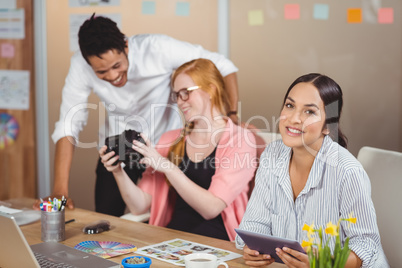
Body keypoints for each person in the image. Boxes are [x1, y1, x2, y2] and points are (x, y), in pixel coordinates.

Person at [33, 14, 241, 216]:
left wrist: (231, 115)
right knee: (106, 220)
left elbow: (224, 66)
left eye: (117, 66)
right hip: (117, 150)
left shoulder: (157, 48)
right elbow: (68, 125)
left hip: (163, 148)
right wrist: (60, 191)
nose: (113, 76)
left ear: (125, 46)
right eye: (102, 72)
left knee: (164, 217)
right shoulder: (80, 64)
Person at [235, 73, 389, 267]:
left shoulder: (347, 171)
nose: (294, 118)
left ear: (328, 126)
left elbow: (366, 245)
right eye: (290, 106)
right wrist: (253, 248)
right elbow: (255, 223)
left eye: (309, 112)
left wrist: (323, 263)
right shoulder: (272, 155)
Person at [99, 58, 257, 241]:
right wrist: (118, 171)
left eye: (186, 93)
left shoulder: (241, 140)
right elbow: (139, 206)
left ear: (211, 89)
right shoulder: (170, 140)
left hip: (220, 244)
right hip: (173, 241)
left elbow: (212, 208)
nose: (180, 102)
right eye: (176, 95)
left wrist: (167, 167)